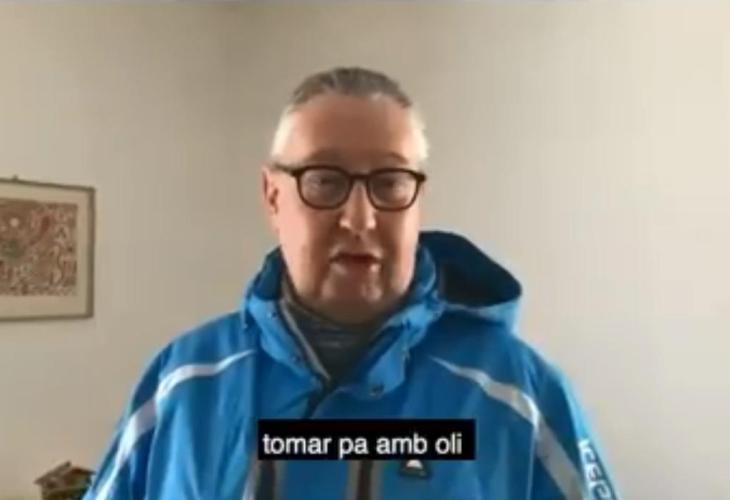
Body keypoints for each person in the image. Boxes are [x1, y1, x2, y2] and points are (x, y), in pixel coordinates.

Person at [83, 67, 620, 500]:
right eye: (324, 180)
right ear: (273, 197)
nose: (359, 218)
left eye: (389, 182)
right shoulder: (183, 384)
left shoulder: (520, 398)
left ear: (418, 199)